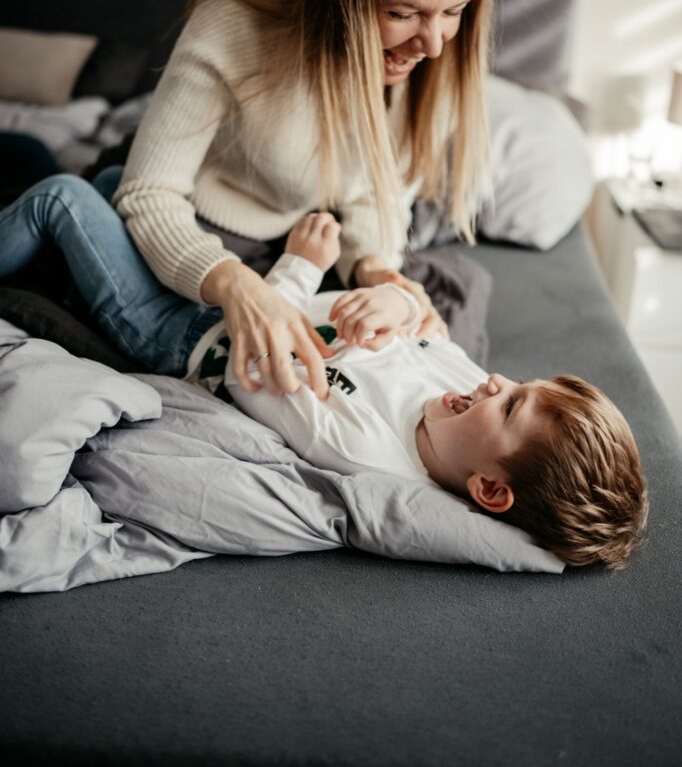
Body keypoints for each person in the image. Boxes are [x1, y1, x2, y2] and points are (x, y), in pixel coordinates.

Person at [0, 177, 648, 569]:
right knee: (121, 178)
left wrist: (302, 268)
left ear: (490, 491)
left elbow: (253, 368)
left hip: (188, 334)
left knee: (62, 199)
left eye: (510, 409)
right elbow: (428, 324)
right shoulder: (460, 398)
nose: (496, 383)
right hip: (234, 296)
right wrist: (396, 300)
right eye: (518, 385)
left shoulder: (366, 451)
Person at [112, 0, 497, 401]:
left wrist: (373, 270)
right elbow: (148, 192)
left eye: (453, 11)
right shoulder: (242, 16)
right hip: (204, 226)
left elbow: (373, 194)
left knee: (456, 288)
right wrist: (235, 286)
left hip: (304, 238)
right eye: (402, 13)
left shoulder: (431, 61)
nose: (433, 44)